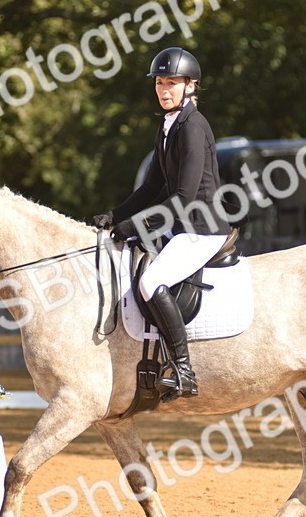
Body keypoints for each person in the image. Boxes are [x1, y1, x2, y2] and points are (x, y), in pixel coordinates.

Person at [93, 47, 232, 400]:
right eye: (159, 81)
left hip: (203, 227)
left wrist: (136, 227)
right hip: (183, 225)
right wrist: (117, 215)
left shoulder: (193, 126)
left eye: (172, 82)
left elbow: (184, 197)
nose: (164, 88)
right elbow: (153, 186)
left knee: (152, 279)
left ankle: (183, 369)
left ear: (190, 86)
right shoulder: (169, 124)